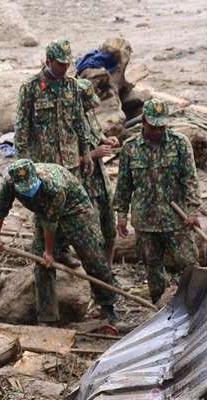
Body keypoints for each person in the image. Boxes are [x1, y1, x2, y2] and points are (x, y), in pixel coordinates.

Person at [0, 159, 119, 323]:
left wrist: (49, 252)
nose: (28, 191)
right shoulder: (9, 183)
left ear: (35, 177)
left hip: (75, 209)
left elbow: (51, 223)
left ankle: (108, 306)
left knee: (92, 255)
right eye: (24, 189)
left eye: (31, 186)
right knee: (42, 264)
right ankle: (48, 317)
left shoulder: (54, 185)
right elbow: (0, 209)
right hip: (43, 212)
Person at [14, 39, 95, 269]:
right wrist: (22, 162)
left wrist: (86, 152)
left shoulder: (71, 85)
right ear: (48, 61)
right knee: (44, 211)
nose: (64, 68)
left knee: (68, 208)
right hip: (43, 165)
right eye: (60, 64)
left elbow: (79, 121)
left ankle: (62, 251)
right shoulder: (30, 88)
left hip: (70, 162)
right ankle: (43, 253)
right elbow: (22, 128)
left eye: (67, 64)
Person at [114, 99, 201, 303]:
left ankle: (197, 304)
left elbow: (190, 179)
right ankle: (160, 307)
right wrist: (121, 215)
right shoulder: (130, 148)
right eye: (153, 127)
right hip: (145, 221)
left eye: (162, 127)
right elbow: (124, 185)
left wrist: (192, 210)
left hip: (176, 218)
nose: (158, 131)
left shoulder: (179, 143)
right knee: (152, 267)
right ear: (143, 121)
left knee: (188, 262)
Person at [75, 79, 119, 265]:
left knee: (110, 230)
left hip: (101, 182)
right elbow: (61, 161)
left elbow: (96, 135)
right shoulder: (65, 124)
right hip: (83, 187)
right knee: (92, 236)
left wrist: (107, 141)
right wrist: (92, 154)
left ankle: (107, 271)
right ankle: (95, 275)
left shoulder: (89, 116)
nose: (89, 106)